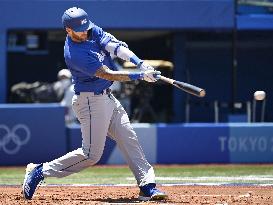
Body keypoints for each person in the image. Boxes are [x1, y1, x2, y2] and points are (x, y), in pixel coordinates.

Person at [22, 7, 167, 201]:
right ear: (68, 30)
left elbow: (116, 47)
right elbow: (108, 74)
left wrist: (139, 63)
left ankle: (147, 186)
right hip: (90, 101)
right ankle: (40, 171)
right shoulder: (74, 53)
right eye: (79, 29)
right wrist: (140, 76)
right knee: (91, 154)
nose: (84, 32)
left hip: (108, 97)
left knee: (128, 138)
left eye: (85, 27)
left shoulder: (90, 29)